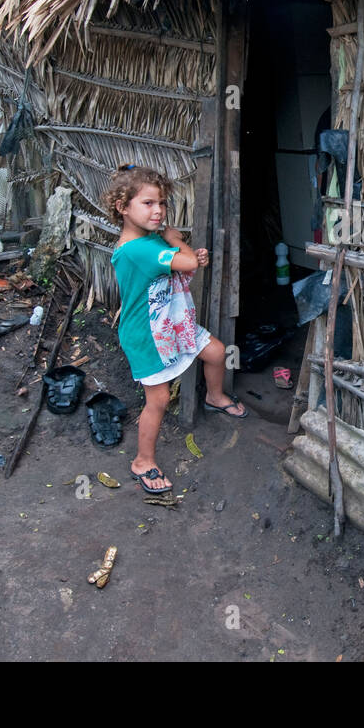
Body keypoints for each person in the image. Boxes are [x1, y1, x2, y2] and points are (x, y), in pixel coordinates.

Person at [103, 164, 247, 495]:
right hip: (148, 337)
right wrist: (178, 241)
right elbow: (186, 262)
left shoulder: (148, 241)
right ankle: (142, 461)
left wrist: (183, 250)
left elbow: (182, 262)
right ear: (123, 208)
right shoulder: (140, 248)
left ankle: (214, 395)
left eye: (162, 203)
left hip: (173, 324)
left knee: (217, 351)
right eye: (148, 203)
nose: (158, 211)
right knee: (159, 399)